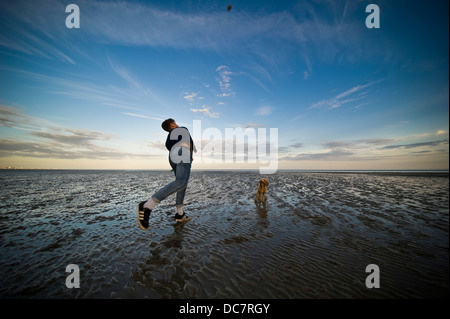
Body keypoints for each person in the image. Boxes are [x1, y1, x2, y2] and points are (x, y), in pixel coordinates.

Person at [137, 118, 196, 231]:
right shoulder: (182, 129)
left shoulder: (168, 138)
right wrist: (191, 155)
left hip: (172, 157)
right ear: (173, 124)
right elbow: (190, 142)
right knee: (181, 182)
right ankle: (147, 205)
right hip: (183, 152)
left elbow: (170, 148)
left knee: (180, 183)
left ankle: (180, 214)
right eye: (175, 123)